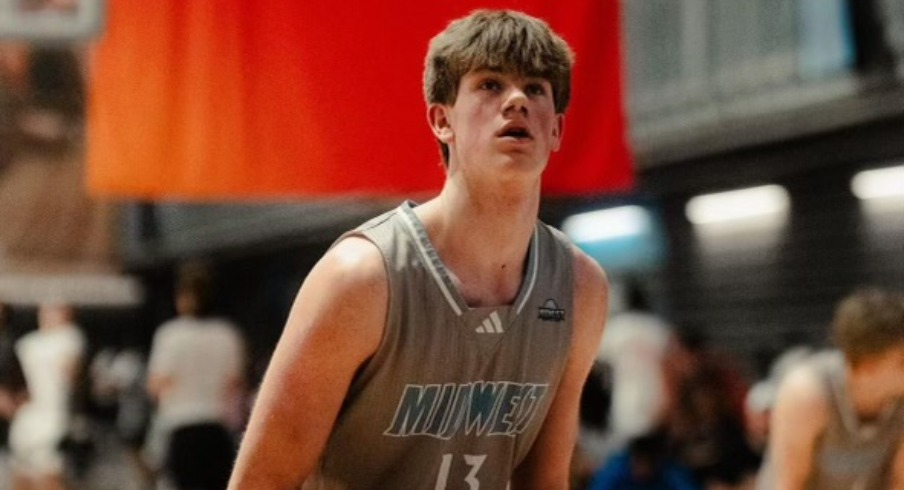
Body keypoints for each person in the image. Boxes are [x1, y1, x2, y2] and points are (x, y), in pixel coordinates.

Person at [228, 9, 609, 489]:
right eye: (490, 84)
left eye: (535, 89)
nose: (516, 100)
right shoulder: (361, 278)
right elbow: (262, 481)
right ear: (442, 120)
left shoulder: (579, 286)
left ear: (556, 130)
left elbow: (545, 480)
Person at [760, 288, 904, 489]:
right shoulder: (808, 393)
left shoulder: (899, 400)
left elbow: (899, 483)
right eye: (902, 362)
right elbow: (789, 484)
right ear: (867, 365)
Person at [145, 264, 246, 490]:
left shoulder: (170, 335)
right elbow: (235, 384)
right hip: (217, 431)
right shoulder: (228, 334)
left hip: (181, 428)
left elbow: (155, 385)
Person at [9, 303, 86, 490]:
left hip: (53, 418)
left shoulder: (70, 337)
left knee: (50, 475)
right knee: (22, 475)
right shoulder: (28, 342)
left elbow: (73, 374)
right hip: (27, 417)